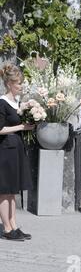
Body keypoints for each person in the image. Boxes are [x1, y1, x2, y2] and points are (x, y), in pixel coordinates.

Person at [0, 64, 34, 241]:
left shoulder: (17, 103)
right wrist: (22, 126)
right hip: (5, 149)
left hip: (16, 148)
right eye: (19, 83)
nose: (21, 86)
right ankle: (6, 228)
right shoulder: (2, 102)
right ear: (9, 84)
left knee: (13, 191)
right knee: (5, 191)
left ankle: (13, 225)